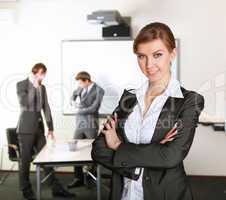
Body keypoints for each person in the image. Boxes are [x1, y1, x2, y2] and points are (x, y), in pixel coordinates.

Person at [91, 22, 205, 200]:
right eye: (141, 56)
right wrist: (150, 155)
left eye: (157, 55)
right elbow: (98, 149)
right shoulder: (128, 99)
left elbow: (170, 156)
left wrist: (118, 146)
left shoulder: (189, 101)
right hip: (124, 194)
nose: (149, 64)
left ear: (172, 54)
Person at [16, 63, 75, 200]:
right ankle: (26, 189)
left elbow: (46, 108)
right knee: (25, 160)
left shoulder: (42, 88)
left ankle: (56, 188)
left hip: (39, 129)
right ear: (35, 73)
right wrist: (34, 87)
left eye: (44, 74)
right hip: (25, 129)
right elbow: (24, 104)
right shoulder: (21, 84)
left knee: (47, 159)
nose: (43, 77)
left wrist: (51, 128)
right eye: (42, 74)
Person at [67, 71, 105, 189]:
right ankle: (78, 178)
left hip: (90, 124)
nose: (79, 85)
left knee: (92, 151)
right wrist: (73, 101)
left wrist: (79, 110)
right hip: (79, 124)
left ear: (87, 81)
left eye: (80, 82)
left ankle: (90, 177)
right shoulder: (81, 87)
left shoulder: (99, 90)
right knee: (74, 149)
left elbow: (95, 107)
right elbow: (73, 96)